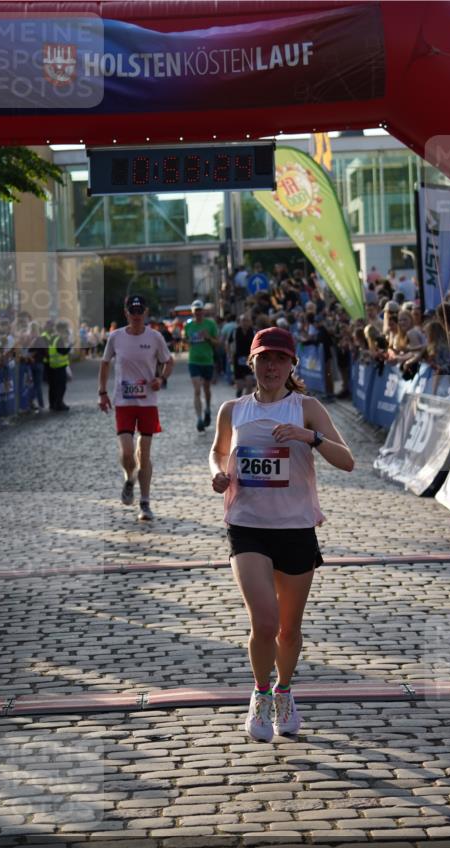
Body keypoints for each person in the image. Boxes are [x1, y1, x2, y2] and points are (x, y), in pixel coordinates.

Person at [209, 327, 354, 742]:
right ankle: (260, 693)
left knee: (288, 629)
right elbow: (218, 451)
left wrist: (310, 436)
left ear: (292, 364)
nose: (271, 366)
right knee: (265, 621)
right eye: (264, 359)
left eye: (279, 359)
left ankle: (284, 691)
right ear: (251, 363)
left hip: (295, 528)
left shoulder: (306, 408)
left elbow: (347, 461)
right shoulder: (233, 410)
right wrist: (217, 473)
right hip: (247, 526)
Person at [98, 294, 173, 522]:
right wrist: (102, 393)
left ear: (146, 313)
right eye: (133, 311)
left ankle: (145, 502)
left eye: (140, 311)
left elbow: (169, 361)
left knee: (145, 452)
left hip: (148, 403)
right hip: (124, 402)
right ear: (126, 313)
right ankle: (129, 478)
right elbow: (104, 363)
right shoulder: (115, 337)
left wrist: (161, 378)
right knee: (127, 452)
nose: (137, 315)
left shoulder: (155, 337)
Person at [185, 299, 218, 432]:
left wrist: (208, 337)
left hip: (207, 361)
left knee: (206, 389)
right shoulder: (188, 325)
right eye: (195, 311)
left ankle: (208, 409)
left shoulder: (210, 324)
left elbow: (218, 343)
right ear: (192, 312)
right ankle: (199, 419)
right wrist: (187, 341)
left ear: (203, 311)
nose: (198, 313)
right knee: (197, 390)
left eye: (199, 310)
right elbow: (186, 340)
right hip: (193, 361)